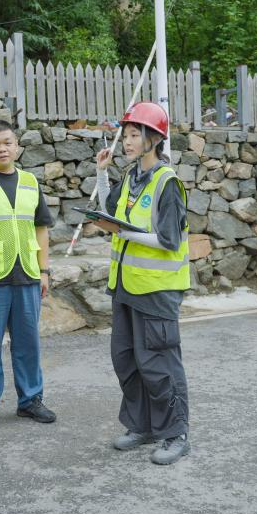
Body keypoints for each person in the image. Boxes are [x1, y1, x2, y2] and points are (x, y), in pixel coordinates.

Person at [93, 101, 191, 465]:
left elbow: (166, 239)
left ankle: (176, 432)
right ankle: (142, 425)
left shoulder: (168, 182)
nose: (128, 141)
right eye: (127, 134)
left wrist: (125, 233)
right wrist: (102, 174)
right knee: (128, 359)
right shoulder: (132, 178)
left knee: (160, 364)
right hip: (125, 286)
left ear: (154, 139)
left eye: (135, 135)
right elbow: (110, 212)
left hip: (156, 290)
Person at [0, 120, 57, 426]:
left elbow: (41, 228)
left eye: (7, 142)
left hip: (27, 274)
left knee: (28, 342)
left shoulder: (30, 182)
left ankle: (31, 400)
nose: (2, 148)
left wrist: (44, 270)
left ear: (17, 145)